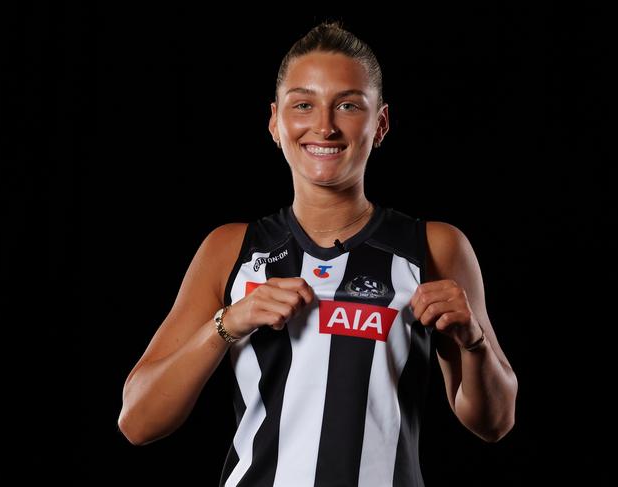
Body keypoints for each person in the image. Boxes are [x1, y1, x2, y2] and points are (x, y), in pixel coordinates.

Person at [118, 22, 518, 487]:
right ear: (275, 122)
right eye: (303, 104)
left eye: (348, 105)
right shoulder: (232, 248)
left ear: (380, 123)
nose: (324, 125)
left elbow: (494, 422)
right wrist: (230, 321)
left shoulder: (433, 245)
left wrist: (474, 342)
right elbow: (138, 420)